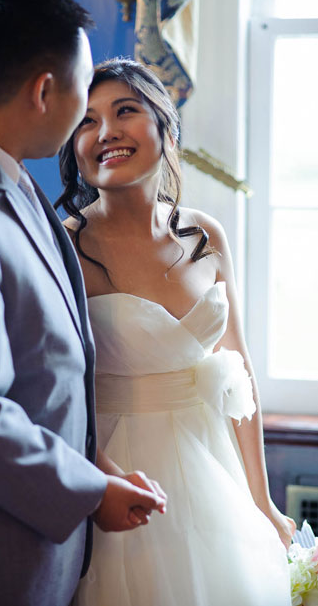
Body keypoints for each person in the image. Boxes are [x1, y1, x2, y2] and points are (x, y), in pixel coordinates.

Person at [0, 0, 167, 605]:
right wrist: (90, 492)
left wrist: (96, 468)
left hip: (40, 544)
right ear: (44, 90)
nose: (89, 117)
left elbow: (46, 364)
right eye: (83, 92)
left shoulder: (3, 164)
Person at [57, 57, 293, 606]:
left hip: (217, 474)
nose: (107, 131)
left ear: (165, 126)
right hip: (121, 480)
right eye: (86, 121)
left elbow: (241, 372)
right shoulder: (65, 244)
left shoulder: (205, 233)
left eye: (125, 111)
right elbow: (56, 390)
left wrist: (262, 502)